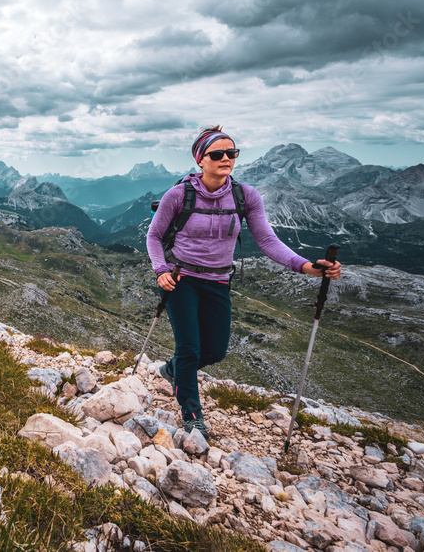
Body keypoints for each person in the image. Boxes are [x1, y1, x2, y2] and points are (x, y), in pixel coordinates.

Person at [145, 126, 342, 439]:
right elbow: (154, 235)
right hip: (180, 278)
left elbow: (266, 239)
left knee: (215, 351)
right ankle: (192, 416)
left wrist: (305, 266)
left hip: (218, 281)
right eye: (217, 154)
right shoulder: (178, 195)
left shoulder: (245, 196)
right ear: (200, 159)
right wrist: (161, 271)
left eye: (231, 153)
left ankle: (172, 370)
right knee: (190, 348)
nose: (226, 158)